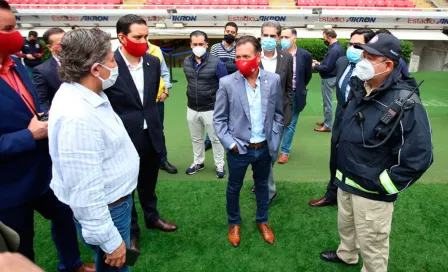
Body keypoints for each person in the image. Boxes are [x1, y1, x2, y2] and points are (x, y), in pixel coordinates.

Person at [320, 33, 433, 272]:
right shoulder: (362, 87)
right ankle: (347, 254)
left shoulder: (406, 104)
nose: (362, 60)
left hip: (372, 194)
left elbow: (419, 157)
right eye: (363, 54)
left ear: (388, 65)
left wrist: (384, 184)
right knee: (346, 227)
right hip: (346, 181)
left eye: (370, 57)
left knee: (373, 246)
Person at [0, 2, 94, 271]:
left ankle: (72, 265)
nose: (16, 35)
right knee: (21, 244)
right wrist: (29, 135)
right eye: (8, 29)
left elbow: (31, 106)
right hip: (9, 184)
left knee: (65, 215)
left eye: (15, 27)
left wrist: (45, 117)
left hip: (46, 171)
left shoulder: (16, 64)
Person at [49, 28, 139, 272]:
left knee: (109, 264)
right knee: (117, 264)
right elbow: (85, 194)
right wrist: (110, 242)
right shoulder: (77, 117)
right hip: (110, 208)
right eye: (111, 59)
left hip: (116, 202)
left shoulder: (86, 92)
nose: (116, 63)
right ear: (96, 70)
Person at [103, 15, 178, 252]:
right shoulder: (108, 65)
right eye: (138, 37)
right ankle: (132, 230)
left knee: (148, 182)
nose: (144, 41)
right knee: (127, 188)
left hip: (152, 134)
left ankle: (152, 217)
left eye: (146, 36)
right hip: (123, 138)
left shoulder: (152, 62)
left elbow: (151, 101)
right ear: (122, 38)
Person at [214, 35, 283, 247]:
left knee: (263, 186)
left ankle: (262, 220)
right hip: (238, 149)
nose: (242, 60)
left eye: (246, 56)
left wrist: (274, 139)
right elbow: (219, 119)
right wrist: (231, 144)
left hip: (264, 148)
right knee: (234, 186)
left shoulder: (273, 80)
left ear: (258, 56)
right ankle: (234, 223)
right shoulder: (227, 83)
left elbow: (279, 114)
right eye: (238, 57)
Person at [309, 28, 376, 207]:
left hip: (362, 121)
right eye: (350, 44)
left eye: (357, 45)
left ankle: (356, 196)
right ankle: (332, 194)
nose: (352, 48)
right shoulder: (342, 62)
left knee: (357, 159)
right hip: (341, 116)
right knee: (335, 157)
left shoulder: (375, 70)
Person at [250, 21, 293, 204]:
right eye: (265, 35)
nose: (268, 39)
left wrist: (288, 111)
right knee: (261, 153)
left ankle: (262, 180)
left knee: (272, 153)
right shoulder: (253, 57)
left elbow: (289, 87)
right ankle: (268, 189)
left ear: (278, 38)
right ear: (261, 37)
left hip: (279, 115)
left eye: (272, 35)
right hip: (256, 115)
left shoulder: (286, 58)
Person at [184, 30, 228, 178]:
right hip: (192, 107)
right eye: (195, 44)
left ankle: (219, 164)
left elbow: (225, 85)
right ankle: (198, 162)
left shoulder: (216, 62)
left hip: (211, 108)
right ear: (190, 45)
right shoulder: (186, 62)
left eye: (201, 44)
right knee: (196, 138)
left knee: (216, 139)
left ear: (206, 44)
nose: (198, 46)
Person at [277, 27, 312, 164]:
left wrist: (298, 88)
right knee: (276, 122)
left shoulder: (305, 55)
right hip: (277, 93)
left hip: (295, 94)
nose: (283, 40)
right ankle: (272, 147)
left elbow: (307, 76)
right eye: (282, 37)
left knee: (290, 124)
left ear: (294, 39)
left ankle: (285, 151)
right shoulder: (276, 53)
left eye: (286, 37)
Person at [205, 22, 239, 151]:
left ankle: (232, 138)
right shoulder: (215, 47)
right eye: (227, 31)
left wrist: (223, 66)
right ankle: (209, 139)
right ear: (224, 31)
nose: (229, 34)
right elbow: (213, 66)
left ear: (236, 34)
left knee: (234, 113)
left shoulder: (239, 47)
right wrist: (230, 65)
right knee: (216, 113)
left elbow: (239, 66)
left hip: (236, 85)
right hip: (218, 85)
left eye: (232, 32)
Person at [147, 41, 178, 174]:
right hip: (136, 101)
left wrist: (166, 91)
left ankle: (162, 161)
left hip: (157, 99)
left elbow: (164, 72)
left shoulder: (156, 50)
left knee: (158, 130)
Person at [312, 28, 345, 132]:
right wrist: (320, 63)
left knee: (327, 103)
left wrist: (315, 66)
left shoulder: (334, 50)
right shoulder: (337, 47)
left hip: (329, 78)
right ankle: (327, 121)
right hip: (333, 76)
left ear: (329, 37)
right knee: (327, 102)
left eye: (324, 38)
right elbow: (330, 63)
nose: (324, 40)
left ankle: (327, 126)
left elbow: (327, 68)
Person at [34, 27, 64, 112]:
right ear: (50, 47)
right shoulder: (42, 71)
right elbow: (41, 101)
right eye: (61, 44)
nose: (67, 46)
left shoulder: (81, 62)